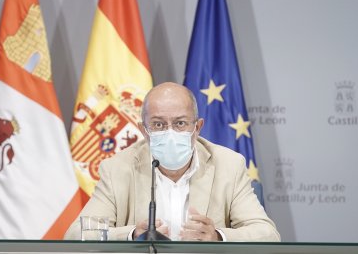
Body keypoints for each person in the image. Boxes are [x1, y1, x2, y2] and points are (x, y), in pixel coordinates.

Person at [64, 82, 280, 241]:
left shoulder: (229, 165)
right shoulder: (117, 168)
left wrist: (217, 236)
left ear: (197, 128)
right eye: (158, 124)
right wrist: (131, 234)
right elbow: (76, 234)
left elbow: (268, 234)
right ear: (144, 130)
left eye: (180, 123)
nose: (169, 133)